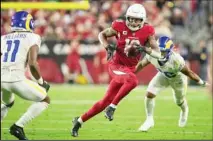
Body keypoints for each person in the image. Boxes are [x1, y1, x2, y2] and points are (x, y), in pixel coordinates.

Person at [71, 3, 163, 137]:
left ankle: (78, 121)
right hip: (116, 66)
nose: (132, 21)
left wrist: (145, 49)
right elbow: (102, 34)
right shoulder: (119, 26)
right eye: (130, 18)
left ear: (142, 20)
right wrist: (107, 46)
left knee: (104, 102)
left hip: (129, 69)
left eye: (136, 19)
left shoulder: (148, 30)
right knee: (133, 81)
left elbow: (157, 53)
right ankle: (112, 107)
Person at [135, 36, 208, 132]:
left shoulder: (176, 60)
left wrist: (201, 82)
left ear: (169, 51)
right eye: (159, 50)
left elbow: (189, 72)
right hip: (163, 75)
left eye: (164, 51)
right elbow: (141, 64)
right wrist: (131, 74)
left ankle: (184, 110)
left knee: (179, 101)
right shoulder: (152, 54)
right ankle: (149, 119)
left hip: (178, 78)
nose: (161, 53)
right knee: (149, 94)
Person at [1, 11, 50, 140]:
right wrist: (41, 82)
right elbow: (32, 64)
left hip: (1, 79)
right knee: (45, 100)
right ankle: (18, 126)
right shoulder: (33, 37)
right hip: (16, 79)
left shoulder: (3, 38)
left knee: (8, 103)